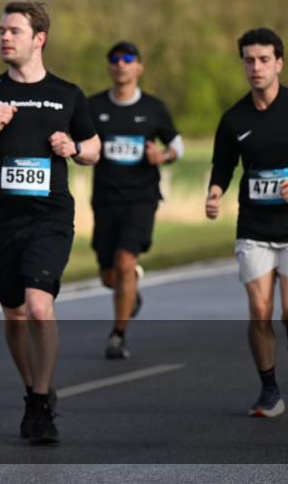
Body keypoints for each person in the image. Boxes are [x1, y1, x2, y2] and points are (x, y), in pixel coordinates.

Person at [0, 1, 99, 444]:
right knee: (15, 312)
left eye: (14, 31)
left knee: (39, 306)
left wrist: (72, 148)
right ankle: (33, 386)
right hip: (2, 221)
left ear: (39, 38)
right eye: (1, 31)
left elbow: (95, 149)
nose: (4, 37)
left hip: (50, 218)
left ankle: (39, 404)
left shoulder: (67, 93)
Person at [206, 27, 288, 418]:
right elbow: (223, 166)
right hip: (254, 228)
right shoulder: (234, 118)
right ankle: (269, 390)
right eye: (249, 60)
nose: (256, 67)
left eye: (264, 59)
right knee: (259, 311)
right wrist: (214, 193)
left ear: (279, 62)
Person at [88, 41, 183, 359]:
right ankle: (130, 293)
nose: (121, 64)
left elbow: (177, 146)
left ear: (139, 67)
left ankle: (118, 335)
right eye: (114, 59)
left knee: (125, 261)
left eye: (128, 59)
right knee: (108, 276)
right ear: (109, 67)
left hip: (141, 198)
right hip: (104, 199)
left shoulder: (153, 108)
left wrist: (163, 155)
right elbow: (79, 142)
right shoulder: (93, 106)